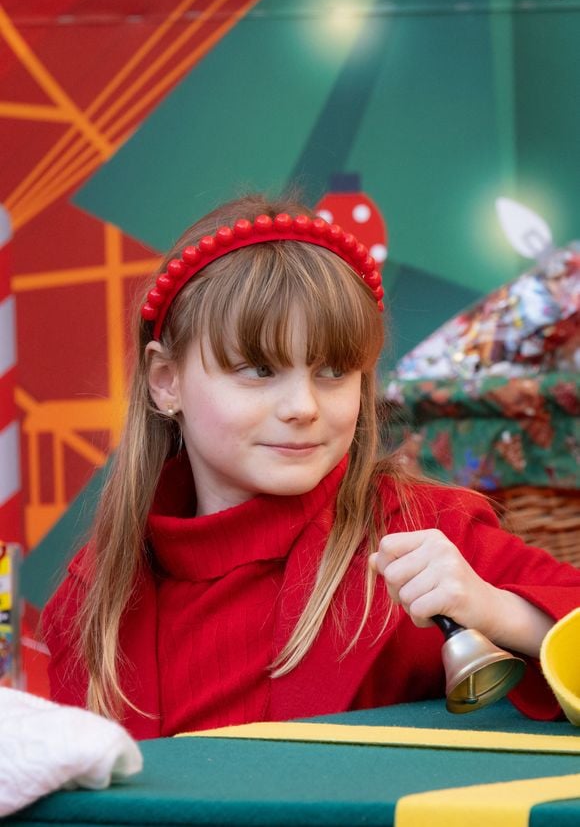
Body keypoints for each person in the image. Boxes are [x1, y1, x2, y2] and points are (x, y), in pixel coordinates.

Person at [42, 193, 580, 740]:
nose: (303, 406)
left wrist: (496, 609)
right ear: (166, 381)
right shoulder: (94, 600)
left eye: (333, 371)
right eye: (257, 368)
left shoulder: (424, 532)